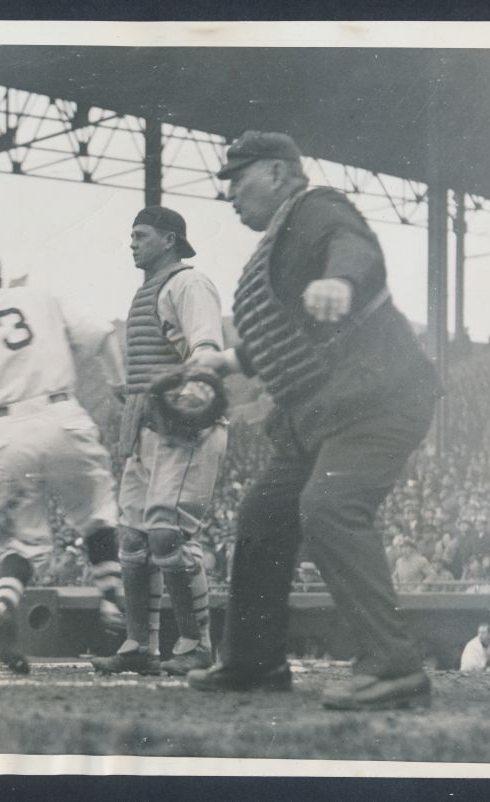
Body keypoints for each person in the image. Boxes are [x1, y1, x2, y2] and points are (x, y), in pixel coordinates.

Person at [185, 131, 442, 710]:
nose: (229, 195)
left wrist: (340, 280)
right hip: (322, 416)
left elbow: (354, 246)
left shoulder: (316, 208)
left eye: (238, 179)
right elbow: (288, 333)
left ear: (278, 173)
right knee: (260, 517)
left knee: (329, 507)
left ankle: (394, 665)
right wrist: (227, 360)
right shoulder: (282, 237)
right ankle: (254, 661)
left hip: (380, 397)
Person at [0, 247, 126, 674]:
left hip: (0, 432)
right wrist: (118, 384)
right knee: (97, 514)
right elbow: (103, 336)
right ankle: (112, 599)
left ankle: (4, 604)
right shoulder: (42, 298)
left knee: (20, 543)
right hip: (63, 416)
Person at [91, 206, 227, 677]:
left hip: (184, 427)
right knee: (131, 538)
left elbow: (207, 349)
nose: (132, 242)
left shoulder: (188, 284)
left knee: (167, 536)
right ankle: (139, 645)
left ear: (169, 239)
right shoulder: (147, 290)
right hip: (147, 428)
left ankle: (196, 644)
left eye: (141, 234)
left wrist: (189, 407)